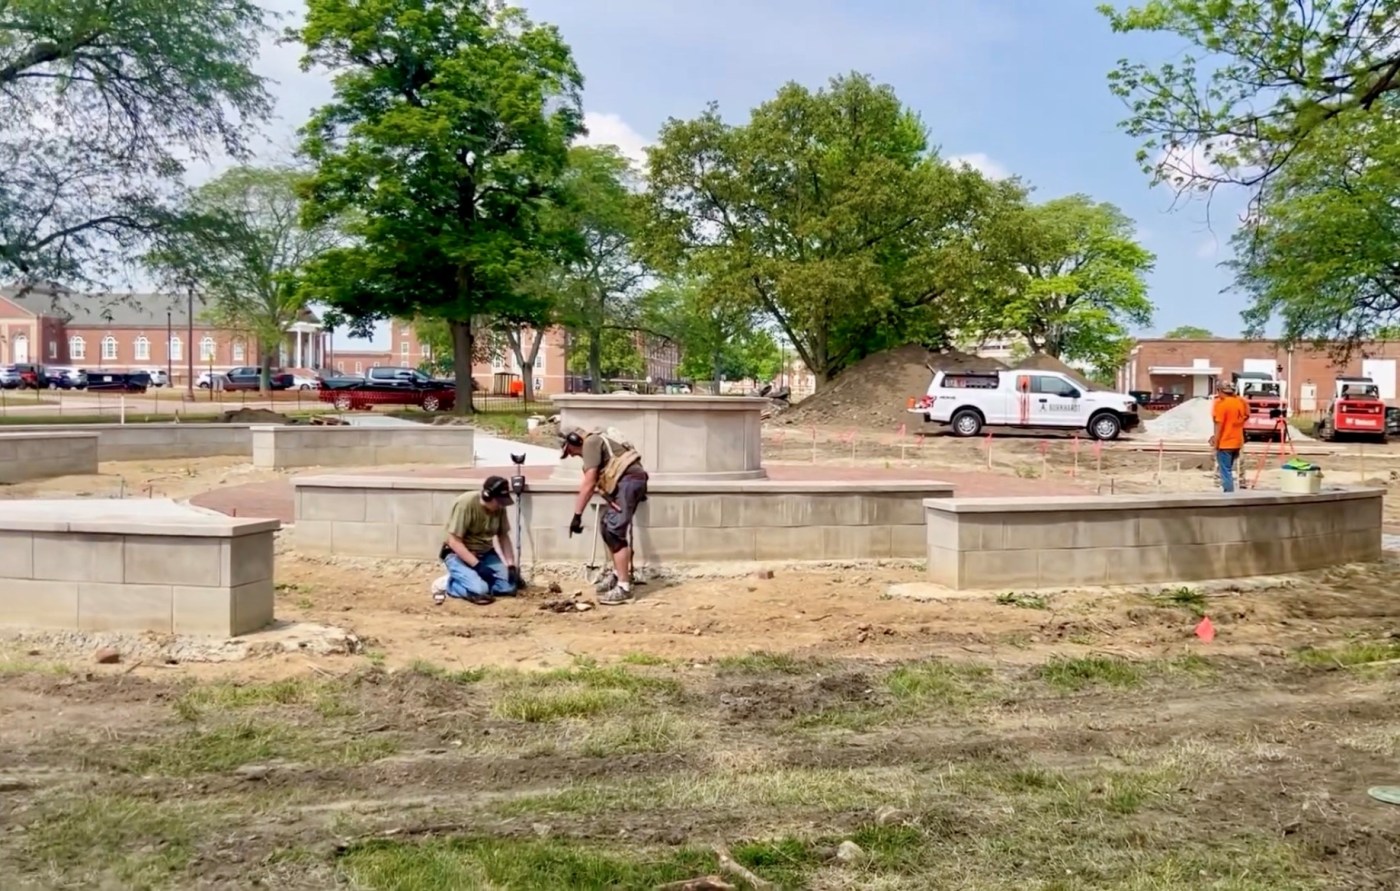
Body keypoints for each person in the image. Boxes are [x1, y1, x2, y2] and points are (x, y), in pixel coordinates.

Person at [560, 427, 649, 605]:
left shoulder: (591, 443)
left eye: (569, 450)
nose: (571, 455)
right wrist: (611, 499)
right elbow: (601, 482)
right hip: (628, 482)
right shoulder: (594, 446)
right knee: (607, 527)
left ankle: (624, 588)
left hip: (630, 481)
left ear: (574, 440)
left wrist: (577, 515)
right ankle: (617, 575)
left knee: (615, 531)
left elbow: (589, 482)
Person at [431, 475, 519, 606]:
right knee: (480, 591)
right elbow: (454, 541)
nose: (501, 504)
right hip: (458, 555)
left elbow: (503, 537)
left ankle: (471, 580)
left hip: (486, 554)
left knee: (509, 587)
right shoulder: (465, 504)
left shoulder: (500, 508)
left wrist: (511, 566)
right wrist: (477, 566)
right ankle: (448, 583)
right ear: (487, 495)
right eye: (499, 501)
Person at [1209, 380, 1250, 493]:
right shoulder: (1240, 402)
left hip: (1225, 443)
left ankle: (1229, 494)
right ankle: (1231, 490)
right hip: (1237, 442)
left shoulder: (1221, 404)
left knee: (1225, 471)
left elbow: (1219, 426)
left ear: (1220, 391)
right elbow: (1247, 415)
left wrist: (1215, 445)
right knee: (1229, 468)